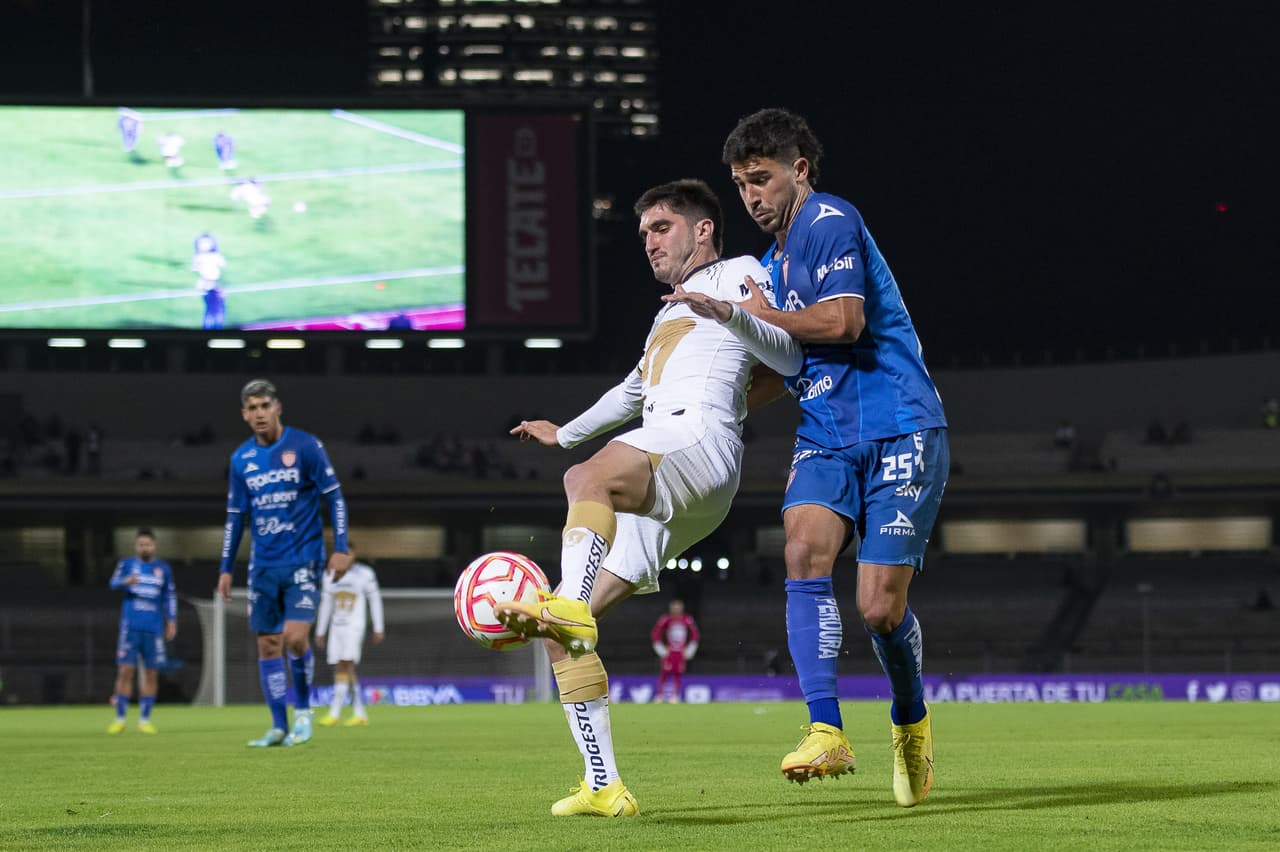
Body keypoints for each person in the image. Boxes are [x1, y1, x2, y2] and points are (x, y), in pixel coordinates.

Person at [494, 178, 802, 817]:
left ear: (703, 229)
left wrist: (733, 315)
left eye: (661, 228)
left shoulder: (740, 273)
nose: (649, 243)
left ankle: (570, 604)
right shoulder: (668, 312)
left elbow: (793, 356)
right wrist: (564, 432)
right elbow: (634, 390)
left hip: (697, 444)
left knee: (587, 481)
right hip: (670, 458)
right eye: (643, 235)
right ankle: (603, 785)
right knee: (561, 635)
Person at [718, 108, 949, 807]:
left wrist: (755, 318)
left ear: (800, 171)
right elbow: (783, 373)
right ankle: (826, 729)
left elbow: (844, 322)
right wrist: (693, 414)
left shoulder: (828, 221)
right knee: (801, 550)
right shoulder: (769, 267)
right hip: (825, 434)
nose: (752, 196)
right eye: (740, 184)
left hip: (899, 425)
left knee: (878, 609)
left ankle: (909, 720)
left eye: (762, 179)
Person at [217, 379, 352, 747]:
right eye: (252, 408)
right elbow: (235, 517)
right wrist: (225, 568)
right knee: (268, 646)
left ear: (277, 408)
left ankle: (304, 712)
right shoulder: (240, 459)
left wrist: (340, 546)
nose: (260, 413)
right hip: (263, 567)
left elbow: (335, 498)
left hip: (303, 559)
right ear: (244, 415)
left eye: (265, 406)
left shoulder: (306, 446)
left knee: (294, 639)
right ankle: (278, 726)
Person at [107, 528, 177, 734]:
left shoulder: (163, 568)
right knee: (125, 671)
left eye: (148, 544)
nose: (145, 547)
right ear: (136, 546)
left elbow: (169, 596)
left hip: (153, 628)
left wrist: (171, 621)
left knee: (151, 673)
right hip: (130, 627)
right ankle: (120, 719)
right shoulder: (126, 565)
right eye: (141, 544)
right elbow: (112, 583)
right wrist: (124, 581)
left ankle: (144, 720)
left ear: (154, 546)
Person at [315, 543, 385, 727]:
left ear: (354, 555)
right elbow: (326, 603)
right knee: (344, 666)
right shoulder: (329, 574)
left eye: (348, 553)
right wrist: (321, 630)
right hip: (336, 627)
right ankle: (360, 712)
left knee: (344, 664)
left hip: (354, 626)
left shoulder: (365, 574)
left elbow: (375, 600)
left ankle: (334, 712)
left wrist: (378, 626)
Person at [650, 598, 699, 703]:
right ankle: (660, 695)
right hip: (669, 651)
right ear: (671, 609)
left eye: (678, 608)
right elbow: (655, 632)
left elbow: (695, 634)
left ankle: (675, 696)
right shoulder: (666, 619)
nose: (676, 610)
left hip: (681, 652)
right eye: (674, 608)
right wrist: (659, 647)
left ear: (682, 609)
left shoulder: (687, 619)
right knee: (664, 673)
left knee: (678, 674)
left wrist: (691, 648)